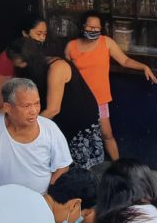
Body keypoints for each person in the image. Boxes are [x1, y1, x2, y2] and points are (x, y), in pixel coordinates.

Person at [65, 11, 157, 161]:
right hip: (78, 99)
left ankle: (118, 167)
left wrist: (144, 67)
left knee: (107, 135)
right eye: (90, 26)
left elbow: (125, 61)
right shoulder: (71, 47)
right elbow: (64, 72)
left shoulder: (106, 42)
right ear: (82, 27)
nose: (93, 30)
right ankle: (79, 169)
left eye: (97, 27)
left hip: (99, 99)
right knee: (79, 135)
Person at [0, 78, 72, 194]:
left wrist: (48, 198)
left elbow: (62, 167)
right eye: (26, 106)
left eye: (37, 103)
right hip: (0, 204)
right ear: (8, 108)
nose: (34, 111)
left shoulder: (50, 128)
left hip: (41, 202)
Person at [17, 38, 105, 170]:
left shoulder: (57, 68)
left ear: (30, 60)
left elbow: (53, 110)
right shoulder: (34, 69)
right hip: (62, 119)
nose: (18, 69)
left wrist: (25, 129)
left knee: (75, 170)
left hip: (78, 119)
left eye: (22, 64)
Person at [0, 14, 47, 109]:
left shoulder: (42, 51)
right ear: (25, 33)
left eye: (45, 34)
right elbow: (0, 93)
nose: (42, 38)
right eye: (38, 34)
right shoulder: (11, 55)